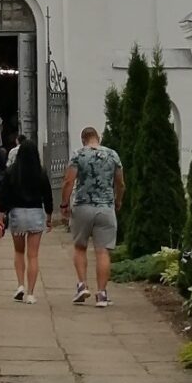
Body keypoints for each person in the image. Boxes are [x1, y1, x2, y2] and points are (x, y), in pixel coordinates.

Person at [61, 122, 125, 308]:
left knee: (80, 247)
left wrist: (64, 204)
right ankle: (102, 294)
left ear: (83, 140)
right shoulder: (112, 155)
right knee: (103, 251)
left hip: (83, 207)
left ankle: (82, 285)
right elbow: (120, 183)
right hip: (106, 207)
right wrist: (118, 200)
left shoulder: (79, 154)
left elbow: (68, 181)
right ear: (98, 138)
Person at [1, 131, 53, 302]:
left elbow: (5, 195)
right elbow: (48, 195)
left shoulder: (11, 172)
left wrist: (1, 216)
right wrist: (49, 215)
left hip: (17, 213)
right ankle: (31, 293)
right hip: (36, 213)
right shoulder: (41, 172)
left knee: (18, 251)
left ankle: (20, 285)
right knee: (33, 255)